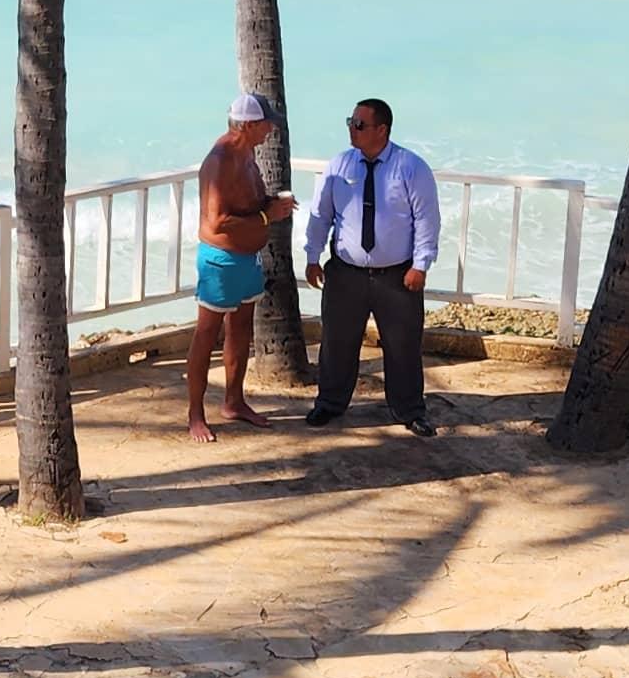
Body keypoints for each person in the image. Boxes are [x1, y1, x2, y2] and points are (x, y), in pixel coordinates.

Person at [300, 98, 441, 435]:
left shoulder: (411, 167)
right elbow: (321, 214)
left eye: (360, 124)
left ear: (382, 130)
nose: (352, 129)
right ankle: (329, 403)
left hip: (396, 275)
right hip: (346, 273)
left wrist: (420, 265)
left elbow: (427, 219)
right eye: (351, 121)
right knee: (337, 341)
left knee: (403, 344)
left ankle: (409, 410)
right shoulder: (338, 166)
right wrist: (311, 256)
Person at [186, 91, 297, 441]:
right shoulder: (220, 161)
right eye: (266, 125)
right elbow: (218, 221)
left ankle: (234, 401)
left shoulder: (247, 151)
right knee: (206, 334)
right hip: (221, 261)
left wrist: (270, 204)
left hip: (248, 259)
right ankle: (195, 414)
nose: (270, 131)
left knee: (241, 330)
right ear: (249, 125)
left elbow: (246, 204)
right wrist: (267, 214)